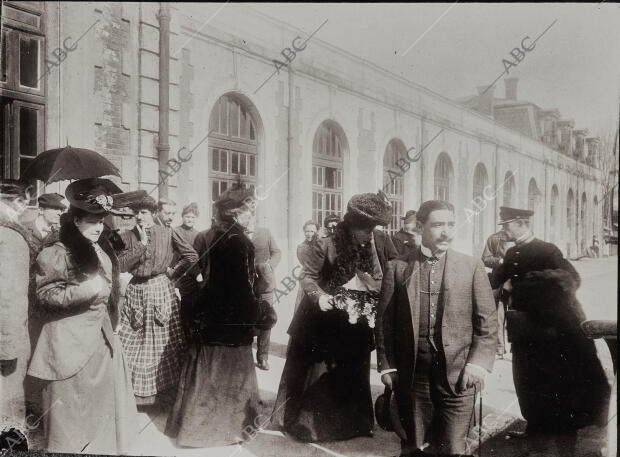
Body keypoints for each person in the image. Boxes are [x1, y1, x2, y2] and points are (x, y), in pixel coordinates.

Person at [272, 191, 398, 442]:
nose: (369, 234)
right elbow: (307, 277)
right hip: (321, 317)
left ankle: (353, 424)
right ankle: (312, 426)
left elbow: (376, 275)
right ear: (352, 225)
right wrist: (320, 296)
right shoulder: (325, 243)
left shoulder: (370, 244)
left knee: (352, 367)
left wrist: (370, 290)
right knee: (317, 371)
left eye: (372, 229)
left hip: (352, 318)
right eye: (365, 229)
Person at [375, 199, 497, 456]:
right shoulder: (398, 267)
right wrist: (388, 365)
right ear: (420, 227)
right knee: (415, 445)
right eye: (438, 225)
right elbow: (385, 322)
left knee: (454, 447)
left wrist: (477, 364)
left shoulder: (471, 266)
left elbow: (487, 322)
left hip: (460, 374)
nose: (447, 232)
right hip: (414, 373)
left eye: (451, 225)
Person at [27, 178, 138, 454]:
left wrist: (117, 301)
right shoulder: (57, 252)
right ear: (76, 221)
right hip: (68, 347)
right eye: (92, 221)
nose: (99, 227)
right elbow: (45, 297)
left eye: (101, 221)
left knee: (98, 417)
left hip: (100, 345)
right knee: (70, 422)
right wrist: (85, 289)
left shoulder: (101, 249)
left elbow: (106, 292)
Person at [491, 206, 610, 438]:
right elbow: (495, 279)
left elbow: (571, 279)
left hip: (552, 330)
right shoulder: (511, 253)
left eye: (507, 225)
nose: (503, 230)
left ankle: (562, 429)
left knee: (554, 380)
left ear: (522, 224)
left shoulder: (547, 250)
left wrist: (521, 286)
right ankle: (536, 426)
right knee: (526, 379)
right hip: (524, 331)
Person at [166, 187, 265, 447]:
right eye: (248, 211)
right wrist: (254, 314)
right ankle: (218, 430)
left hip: (213, 314)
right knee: (230, 372)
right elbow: (242, 285)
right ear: (235, 214)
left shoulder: (218, 236)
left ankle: (197, 428)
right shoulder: (238, 241)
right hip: (231, 319)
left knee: (208, 372)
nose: (252, 216)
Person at [117, 195, 198, 406]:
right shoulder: (127, 236)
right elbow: (121, 266)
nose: (139, 217)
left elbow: (191, 256)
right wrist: (141, 245)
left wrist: (172, 273)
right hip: (136, 289)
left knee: (162, 343)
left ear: (153, 214)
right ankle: (134, 396)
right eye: (136, 213)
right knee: (132, 339)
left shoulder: (168, 233)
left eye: (143, 212)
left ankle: (163, 396)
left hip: (160, 289)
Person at [0, 181, 36, 428]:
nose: (25, 207)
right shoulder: (10, 236)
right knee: (9, 408)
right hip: (7, 335)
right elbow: (9, 295)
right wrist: (8, 345)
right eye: (22, 201)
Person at [247, 214, 281, 371]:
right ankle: (245, 358)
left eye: (251, 219)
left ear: (255, 219)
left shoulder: (265, 233)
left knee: (266, 320)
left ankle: (263, 357)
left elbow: (277, 252)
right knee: (247, 319)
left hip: (265, 284)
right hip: (246, 285)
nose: (248, 222)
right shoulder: (238, 235)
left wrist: (269, 267)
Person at [482, 227, 515, 357]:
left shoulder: (520, 240)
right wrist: (499, 261)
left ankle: (515, 347)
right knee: (498, 316)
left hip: (516, 283)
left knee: (514, 314)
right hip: (499, 282)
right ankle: (499, 348)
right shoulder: (494, 238)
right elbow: (485, 258)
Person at [174, 202, 201, 334]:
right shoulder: (176, 232)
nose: (190, 220)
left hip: (193, 274)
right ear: (182, 217)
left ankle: (190, 336)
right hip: (179, 272)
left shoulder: (198, 235)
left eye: (192, 217)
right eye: (187, 217)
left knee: (191, 306)